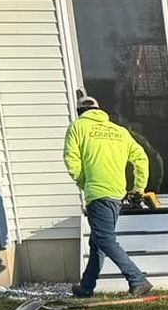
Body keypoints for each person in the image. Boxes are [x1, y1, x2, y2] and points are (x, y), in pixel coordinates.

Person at [63, 92, 154, 298]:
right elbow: (142, 159)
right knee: (98, 241)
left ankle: (137, 279)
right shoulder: (119, 131)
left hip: (98, 193)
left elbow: (71, 159)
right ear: (99, 110)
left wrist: (84, 182)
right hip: (116, 194)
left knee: (105, 239)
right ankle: (86, 287)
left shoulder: (78, 127)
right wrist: (138, 189)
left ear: (79, 112)